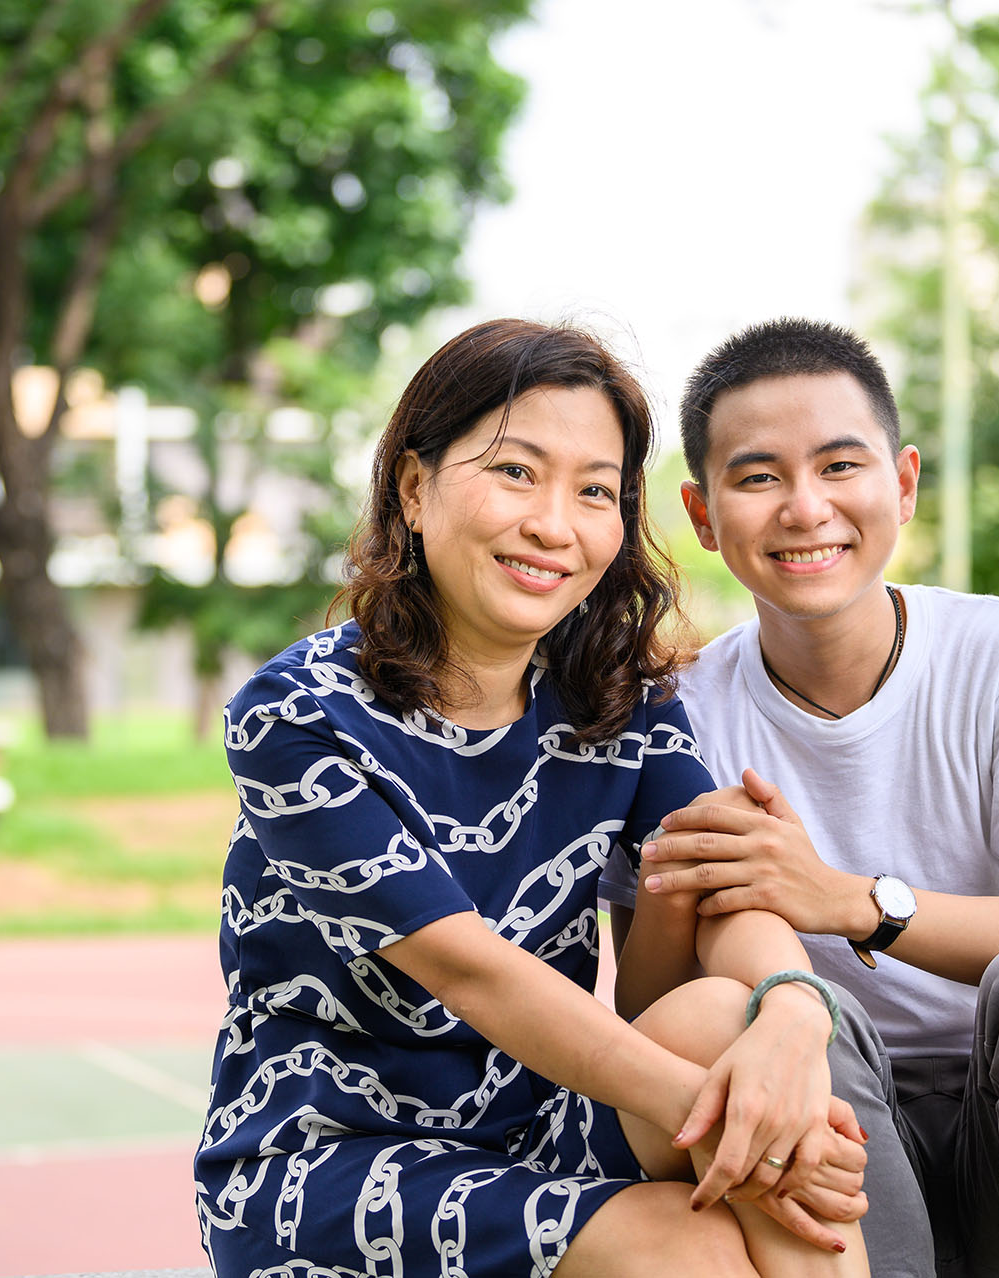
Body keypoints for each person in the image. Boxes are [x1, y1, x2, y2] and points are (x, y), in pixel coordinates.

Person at [194, 318, 872, 1278]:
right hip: (332, 1160)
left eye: (595, 490)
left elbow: (728, 880)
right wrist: (736, 1123)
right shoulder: (298, 717)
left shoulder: (617, 697)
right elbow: (473, 976)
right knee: (695, 1246)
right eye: (516, 472)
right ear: (416, 487)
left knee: (736, 1017)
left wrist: (798, 1015)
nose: (556, 525)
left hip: (541, 1122)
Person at [601, 319, 999, 1278]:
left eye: (839, 466)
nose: (805, 507)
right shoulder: (676, 712)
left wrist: (847, 900)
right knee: (774, 1008)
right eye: (758, 476)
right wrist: (673, 879)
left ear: (901, 484)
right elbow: (661, 1015)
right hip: (831, 1118)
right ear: (702, 515)